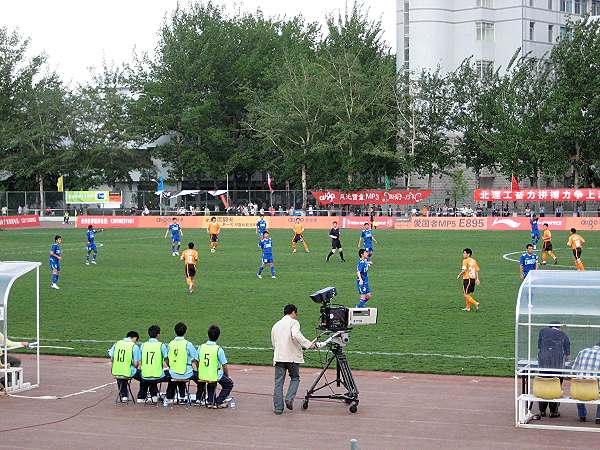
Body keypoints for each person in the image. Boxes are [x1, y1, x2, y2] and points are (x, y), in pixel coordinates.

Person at [271, 304, 316, 415]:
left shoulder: (276, 325)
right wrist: (308, 344)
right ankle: (289, 398)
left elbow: (274, 342)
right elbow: (296, 335)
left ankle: (278, 408)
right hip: (292, 358)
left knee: (278, 383)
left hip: (279, 357)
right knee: (295, 378)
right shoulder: (294, 322)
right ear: (293, 312)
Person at [533, 322, 570, 419]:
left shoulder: (542, 332)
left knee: (543, 384)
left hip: (543, 364)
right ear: (559, 327)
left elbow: (539, 346)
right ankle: (553, 411)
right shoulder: (563, 335)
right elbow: (567, 355)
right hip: (557, 367)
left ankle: (542, 410)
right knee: (556, 386)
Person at [196, 325, 234, 408]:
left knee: (211, 383)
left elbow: (196, 360)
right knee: (229, 384)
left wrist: (199, 369)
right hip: (213, 375)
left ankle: (211, 401)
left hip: (202, 374)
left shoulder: (201, 347)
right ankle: (218, 402)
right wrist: (226, 375)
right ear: (218, 336)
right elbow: (224, 366)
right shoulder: (218, 349)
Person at [165, 322, 198, 403]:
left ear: (175, 331)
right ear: (185, 331)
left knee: (176, 373)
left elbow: (167, 359)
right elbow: (195, 359)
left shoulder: (170, 344)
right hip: (186, 373)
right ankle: (200, 398)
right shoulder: (188, 344)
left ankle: (171, 396)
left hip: (172, 373)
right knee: (197, 376)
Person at [138, 325, 170, 403]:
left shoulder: (143, 345)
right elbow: (166, 359)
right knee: (173, 377)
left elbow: (140, 360)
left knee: (146, 374)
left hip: (144, 375)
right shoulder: (161, 345)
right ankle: (169, 397)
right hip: (158, 375)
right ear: (158, 335)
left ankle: (142, 397)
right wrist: (169, 366)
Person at [108, 331, 142, 402]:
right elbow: (136, 364)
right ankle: (142, 396)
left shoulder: (117, 343)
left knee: (120, 375)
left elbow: (112, 358)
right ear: (135, 338)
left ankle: (124, 396)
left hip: (116, 371)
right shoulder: (134, 346)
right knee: (145, 377)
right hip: (128, 371)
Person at [571, 342, 600, 423]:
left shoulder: (582, 351)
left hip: (579, 388)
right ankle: (598, 417)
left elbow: (573, 370)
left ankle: (582, 415)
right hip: (594, 389)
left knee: (579, 382)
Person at [457, 248, 480, 312]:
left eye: (464, 253)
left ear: (468, 254)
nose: (463, 254)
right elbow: (476, 270)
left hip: (467, 279)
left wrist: (459, 274)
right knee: (468, 294)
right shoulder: (473, 260)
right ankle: (468, 307)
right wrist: (477, 278)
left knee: (466, 295)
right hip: (472, 279)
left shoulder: (465, 260)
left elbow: (464, 270)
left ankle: (475, 303)